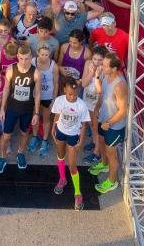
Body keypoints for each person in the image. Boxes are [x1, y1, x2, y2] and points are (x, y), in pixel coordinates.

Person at [0, 45, 41, 173]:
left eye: (27, 59)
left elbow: (37, 93)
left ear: (31, 58)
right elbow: (6, 89)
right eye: (21, 58)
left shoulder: (36, 72)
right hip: (12, 108)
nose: (24, 61)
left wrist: (36, 113)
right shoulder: (11, 69)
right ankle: (2, 157)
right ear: (17, 57)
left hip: (27, 109)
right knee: (6, 136)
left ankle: (20, 153)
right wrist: (2, 109)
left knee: (24, 133)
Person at [90, 53, 128, 194]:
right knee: (102, 144)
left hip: (114, 126)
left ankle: (112, 182)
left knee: (112, 155)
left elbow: (123, 111)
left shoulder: (120, 86)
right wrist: (97, 107)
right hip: (104, 120)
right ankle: (104, 164)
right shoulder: (106, 76)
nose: (102, 67)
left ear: (114, 68)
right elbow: (103, 94)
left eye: (105, 65)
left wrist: (108, 123)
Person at [51, 79, 90, 210]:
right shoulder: (59, 100)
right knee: (60, 156)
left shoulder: (82, 105)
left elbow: (84, 124)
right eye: (70, 94)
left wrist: (81, 140)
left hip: (73, 136)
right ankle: (62, 179)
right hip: (61, 132)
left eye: (75, 94)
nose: (72, 97)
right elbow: (57, 115)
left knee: (73, 166)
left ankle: (78, 193)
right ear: (65, 91)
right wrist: (53, 127)